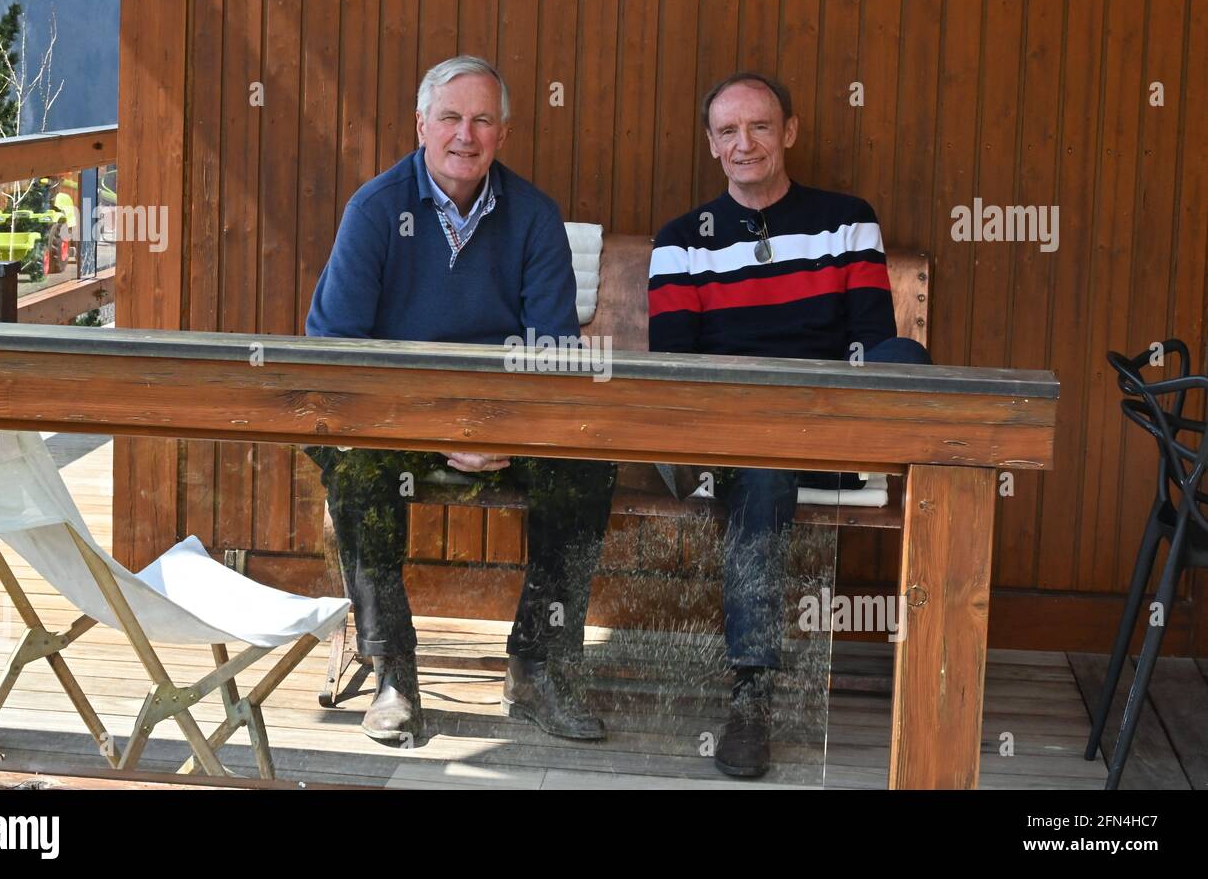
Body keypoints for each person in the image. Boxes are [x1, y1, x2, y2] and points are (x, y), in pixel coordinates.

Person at [305, 55, 615, 747]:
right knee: (352, 467)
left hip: (507, 423)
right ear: (422, 125)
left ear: (503, 133)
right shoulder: (377, 210)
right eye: (450, 117)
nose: (465, 135)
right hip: (393, 420)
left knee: (587, 467)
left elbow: (553, 354)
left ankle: (538, 668)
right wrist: (444, 430)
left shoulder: (534, 216)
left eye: (482, 120)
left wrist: (499, 428)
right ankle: (392, 670)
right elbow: (335, 350)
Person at [649, 71, 931, 778]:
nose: (745, 144)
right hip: (735, 439)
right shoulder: (683, 241)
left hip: (833, 429)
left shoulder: (847, 220)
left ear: (790, 132)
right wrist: (753, 424)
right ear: (712, 144)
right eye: (728, 131)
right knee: (763, 470)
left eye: (761, 127)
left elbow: (869, 343)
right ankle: (752, 692)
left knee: (907, 354)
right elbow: (675, 371)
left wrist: (816, 414)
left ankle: (938, 661)